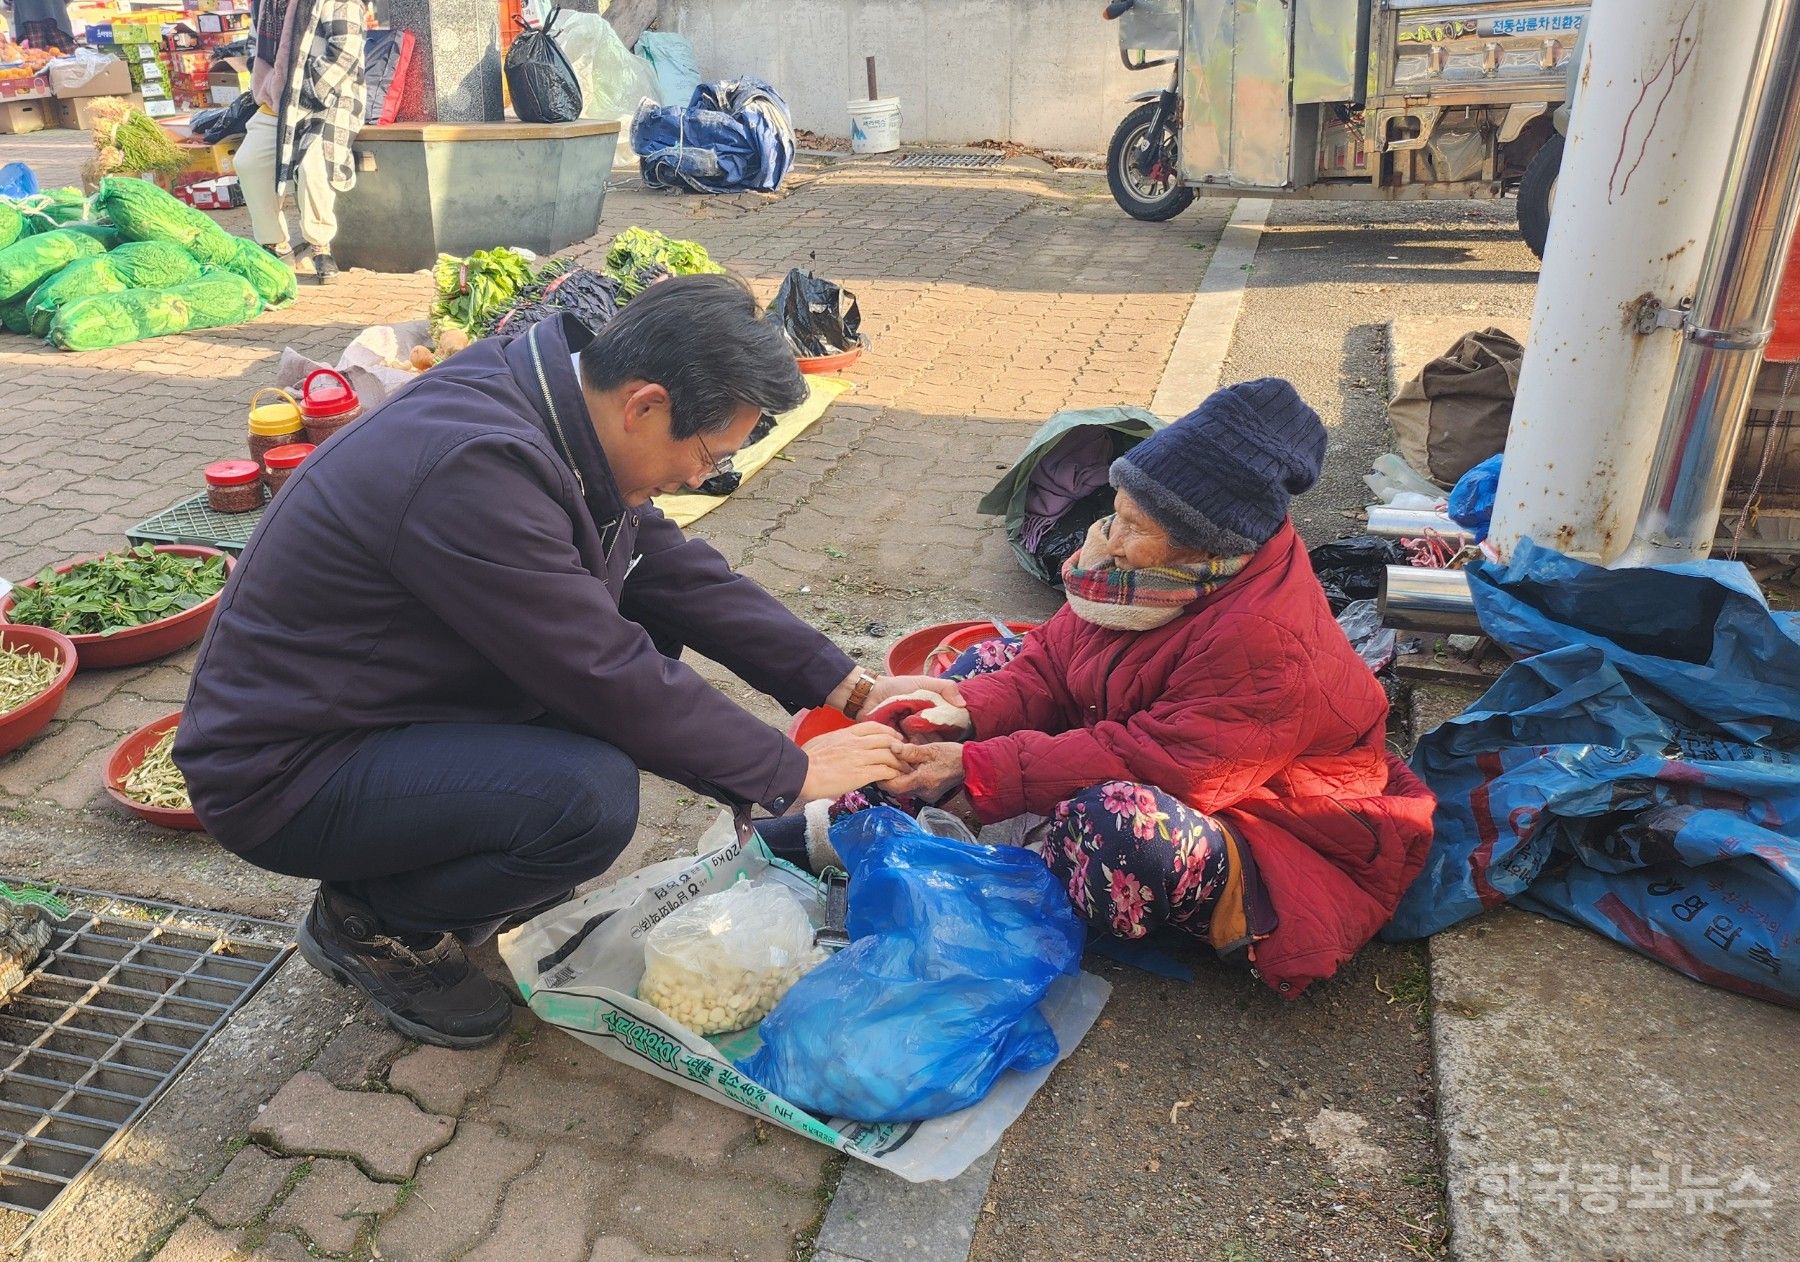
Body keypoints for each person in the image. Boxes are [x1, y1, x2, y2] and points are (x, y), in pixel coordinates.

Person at [175, 275, 958, 1047]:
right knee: (584, 800)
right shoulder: (472, 467)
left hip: (387, 703)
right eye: (709, 455)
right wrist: (790, 774)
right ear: (646, 405)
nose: (700, 479)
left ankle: (448, 859)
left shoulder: (553, 401)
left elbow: (665, 567)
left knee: (642, 645)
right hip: (287, 772)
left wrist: (847, 686)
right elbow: (602, 671)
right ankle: (372, 924)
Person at [794, 378, 1437, 998]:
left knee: (1112, 826)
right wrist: (964, 712)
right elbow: (1049, 660)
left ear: (1200, 545)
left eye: (1135, 525)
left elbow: (1162, 764)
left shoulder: (1268, 640)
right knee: (977, 672)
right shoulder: (1155, 573)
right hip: (1143, 744)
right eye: (1116, 511)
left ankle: (1002, 877)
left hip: (1274, 828)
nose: (1112, 538)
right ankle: (854, 826)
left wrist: (979, 766)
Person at [234, 0, 367, 283]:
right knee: (248, 161)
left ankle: (320, 245)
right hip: (279, 100)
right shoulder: (264, 3)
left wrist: (304, 90)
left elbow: (345, 51)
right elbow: (254, 46)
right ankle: (276, 244)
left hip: (329, 99)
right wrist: (271, 84)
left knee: (313, 166)